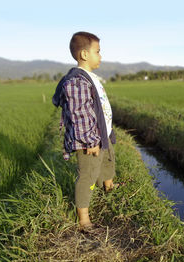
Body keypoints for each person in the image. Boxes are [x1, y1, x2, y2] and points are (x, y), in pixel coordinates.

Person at [52, 31, 118, 228]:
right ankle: (83, 218)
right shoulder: (77, 81)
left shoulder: (89, 77)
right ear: (84, 54)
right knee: (87, 176)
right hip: (89, 140)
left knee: (107, 163)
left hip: (101, 136)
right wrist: (91, 141)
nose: (101, 55)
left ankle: (109, 188)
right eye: (98, 51)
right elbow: (80, 115)